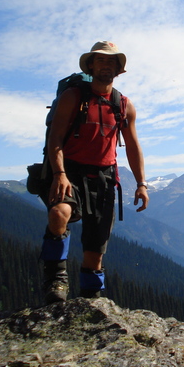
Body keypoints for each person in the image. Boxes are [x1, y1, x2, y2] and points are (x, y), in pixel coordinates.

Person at [39, 41, 149, 304]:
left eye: (111, 61)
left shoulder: (123, 105)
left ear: (118, 69)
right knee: (59, 213)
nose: (106, 65)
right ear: (91, 65)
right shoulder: (73, 97)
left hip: (105, 179)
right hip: (70, 173)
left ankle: (91, 298)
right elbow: (55, 138)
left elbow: (133, 146)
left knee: (95, 248)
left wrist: (141, 183)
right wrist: (59, 174)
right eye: (100, 60)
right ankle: (56, 277)